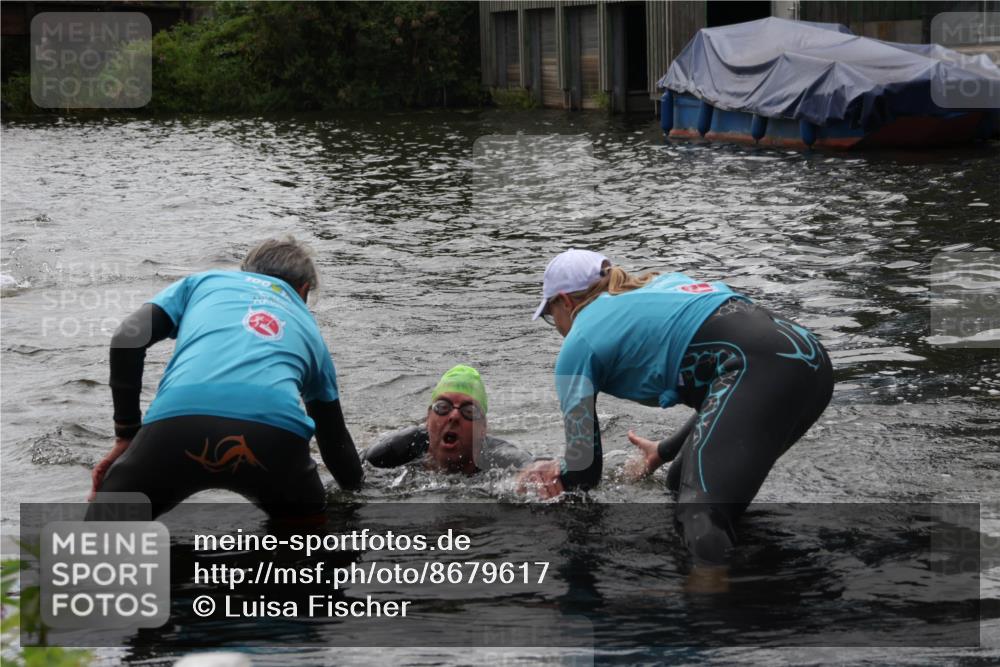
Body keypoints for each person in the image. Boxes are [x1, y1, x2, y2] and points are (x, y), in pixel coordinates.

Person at [516, 249, 833, 565]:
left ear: (565, 301)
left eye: (549, 314)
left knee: (699, 513)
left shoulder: (580, 341)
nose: (555, 325)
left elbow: (585, 473)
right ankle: (749, 576)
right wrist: (665, 451)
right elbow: (727, 391)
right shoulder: (661, 285)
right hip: (810, 358)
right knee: (678, 479)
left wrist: (548, 473)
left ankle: (710, 608)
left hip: (762, 369)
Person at [89, 237, 363, 519]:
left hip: (178, 425)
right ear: (303, 290)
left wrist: (127, 435)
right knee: (310, 544)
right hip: (273, 438)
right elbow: (334, 441)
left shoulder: (204, 283)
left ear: (245, 272)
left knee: (98, 544)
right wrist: (358, 496)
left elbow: (127, 338)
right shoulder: (310, 330)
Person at [364, 365, 531, 473]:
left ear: (482, 428)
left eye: (469, 410)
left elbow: (530, 465)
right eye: (443, 407)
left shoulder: (498, 458)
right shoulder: (391, 451)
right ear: (428, 418)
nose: (454, 416)